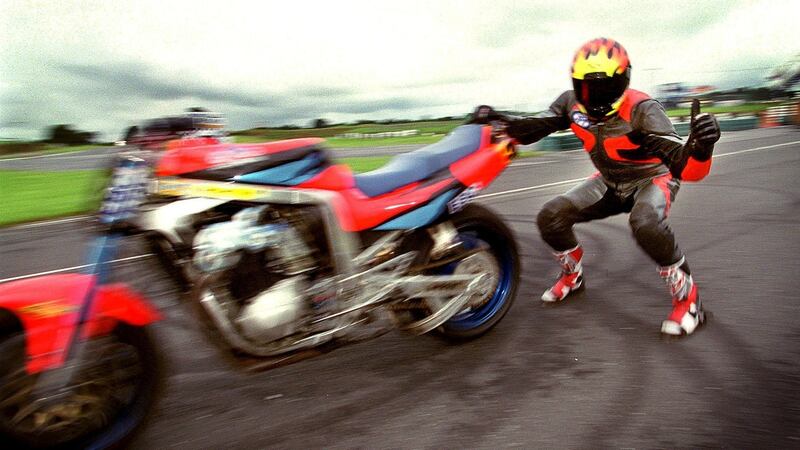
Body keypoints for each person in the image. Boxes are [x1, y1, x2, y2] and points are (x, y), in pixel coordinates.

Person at [471, 37, 721, 336]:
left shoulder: (643, 109)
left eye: (605, 87)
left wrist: (701, 147)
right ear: (576, 85)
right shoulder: (570, 103)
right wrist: (499, 121)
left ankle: (690, 303)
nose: (596, 97)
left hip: (651, 179)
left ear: (624, 80)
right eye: (587, 88)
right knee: (550, 216)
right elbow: (534, 127)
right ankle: (573, 278)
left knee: (645, 223)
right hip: (609, 181)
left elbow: (685, 169)